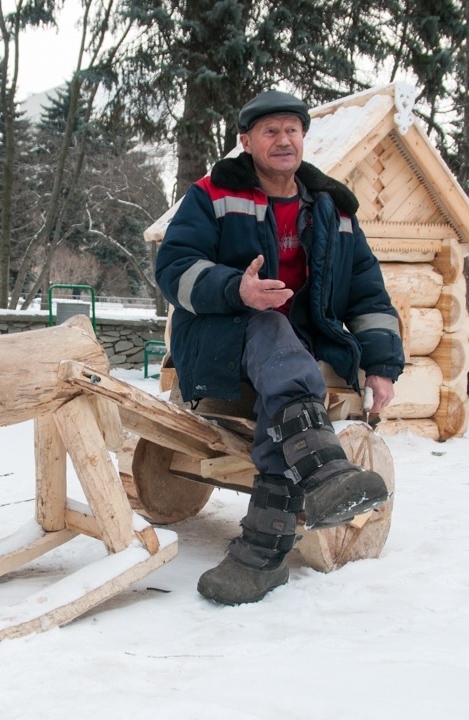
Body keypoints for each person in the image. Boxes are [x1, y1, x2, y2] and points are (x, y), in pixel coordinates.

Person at [154, 89, 405, 605]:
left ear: (304, 138)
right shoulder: (211, 196)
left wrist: (382, 363)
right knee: (268, 325)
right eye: (270, 131)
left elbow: (367, 290)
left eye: (292, 129)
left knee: (287, 395)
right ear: (246, 142)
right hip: (220, 344)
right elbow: (173, 268)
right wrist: (236, 289)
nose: (283, 140)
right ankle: (324, 470)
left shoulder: (333, 209)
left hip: (296, 360)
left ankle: (262, 557)